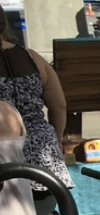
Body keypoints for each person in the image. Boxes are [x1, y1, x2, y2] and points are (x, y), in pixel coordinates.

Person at [0, 5, 70, 190]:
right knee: (45, 214)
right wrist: (57, 139)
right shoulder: (32, 57)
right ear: (4, 22)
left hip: (5, 156)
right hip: (43, 153)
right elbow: (59, 106)